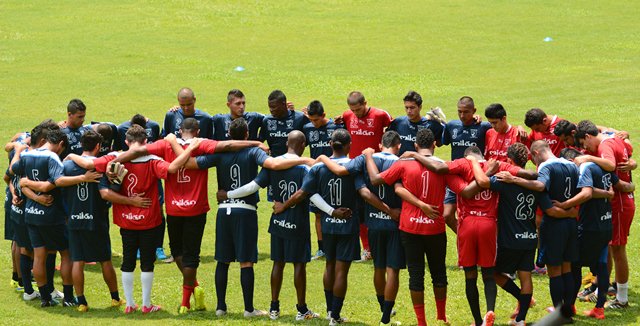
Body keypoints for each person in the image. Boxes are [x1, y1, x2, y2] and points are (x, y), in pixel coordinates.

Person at [110, 117, 266, 313]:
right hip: (196, 209)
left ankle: (193, 289)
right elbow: (228, 145)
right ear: (198, 131)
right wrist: (255, 142)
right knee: (192, 256)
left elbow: (138, 150)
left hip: (174, 209)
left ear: (178, 130)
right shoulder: (201, 143)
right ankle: (186, 300)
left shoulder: (165, 143)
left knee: (177, 254)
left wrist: (114, 161)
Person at [187, 118, 314, 318]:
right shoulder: (254, 152)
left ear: (229, 135)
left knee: (223, 260)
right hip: (244, 211)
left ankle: (220, 307)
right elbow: (265, 173)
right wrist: (305, 160)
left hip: (223, 211)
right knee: (246, 261)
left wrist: (181, 149)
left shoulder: (219, 153)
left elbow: (193, 163)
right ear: (247, 135)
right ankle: (248, 309)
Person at [217, 131, 321, 321]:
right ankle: (301, 309)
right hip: (297, 222)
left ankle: (274, 309)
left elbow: (252, 187)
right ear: (303, 145)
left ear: (287, 143)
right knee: (299, 264)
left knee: (278, 263)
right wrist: (331, 211)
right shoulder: (305, 167)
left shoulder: (273, 164)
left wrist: (228, 194)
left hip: (277, 222)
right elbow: (310, 195)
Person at [92, 125, 197, 314]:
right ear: (146, 142)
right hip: (149, 219)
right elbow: (173, 168)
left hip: (126, 219)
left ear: (126, 142)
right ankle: (147, 305)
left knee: (128, 261)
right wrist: (188, 149)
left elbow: (92, 164)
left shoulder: (115, 157)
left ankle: (130, 304)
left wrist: (70, 157)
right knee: (147, 262)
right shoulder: (153, 160)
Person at [20, 130, 124, 312]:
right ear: (98, 146)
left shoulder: (65, 167)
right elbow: (109, 191)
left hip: (73, 220)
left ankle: (81, 302)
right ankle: (115, 298)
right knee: (105, 260)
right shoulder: (99, 168)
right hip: (96, 220)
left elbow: (57, 187)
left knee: (78, 261)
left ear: (81, 145)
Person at [468, 143, 569, 326]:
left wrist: (479, 165)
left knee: (493, 273)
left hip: (510, 240)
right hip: (530, 238)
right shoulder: (536, 184)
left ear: (510, 161)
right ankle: (521, 319)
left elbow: (482, 182)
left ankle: (520, 301)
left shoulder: (505, 181)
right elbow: (548, 207)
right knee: (526, 277)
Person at [365, 129, 453, 326]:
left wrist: (368, 156)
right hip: (435, 228)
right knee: (439, 272)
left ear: (415, 146)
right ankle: (442, 315)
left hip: (410, 227)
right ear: (435, 144)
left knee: (416, 274)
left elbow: (376, 180)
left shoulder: (403, 164)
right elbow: (460, 189)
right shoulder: (442, 165)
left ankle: (421, 322)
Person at [273, 129, 360, 325]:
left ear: (330, 145)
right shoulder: (355, 166)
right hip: (348, 224)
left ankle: (330, 311)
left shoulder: (318, 168)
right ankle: (335, 316)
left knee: (330, 265)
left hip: (328, 225)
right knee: (341, 271)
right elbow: (363, 191)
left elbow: (306, 193)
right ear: (349, 145)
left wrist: (329, 212)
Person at [318, 130, 405, 325]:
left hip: (373, 223)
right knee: (393, 270)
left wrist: (322, 157)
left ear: (381, 145)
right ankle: (385, 316)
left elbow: (354, 183)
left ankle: (379, 308)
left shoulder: (366, 159)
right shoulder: (400, 162)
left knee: (378, 267)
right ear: (398, 146)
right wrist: (391, 210)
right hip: (394, 223)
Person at [494, 141, 579, 318]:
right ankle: (568, 311)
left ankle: (559, 314)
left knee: (555, 270)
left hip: (555, 225)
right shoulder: (572, 165)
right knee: (567, 268)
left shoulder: (546, 168)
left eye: (533, 157)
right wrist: (572, 212)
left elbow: (542, 190)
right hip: (571, 224)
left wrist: (514, 178)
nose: (533, 161)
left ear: (537, 152)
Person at [556, 148, 635, 319]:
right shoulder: (603, 167)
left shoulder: (584, 168)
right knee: (601, 265)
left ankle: (569, 307)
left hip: (588, 227)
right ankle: (599, 309)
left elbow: (587, 192)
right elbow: (619, 185)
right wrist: (631, 187)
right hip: (606, 224)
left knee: (575, 267)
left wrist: (563, 205)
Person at [572, 120, 636, 309]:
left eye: (584, 144)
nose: (585, 149)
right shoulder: (613, 138)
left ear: (588, 136)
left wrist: (588, 159)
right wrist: (633, 164)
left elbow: (610, 164)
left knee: (618, 249)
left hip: (620, 202)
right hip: (620, 200)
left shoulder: (605, 144)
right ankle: (602, 288)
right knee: (609, 246)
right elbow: (629, 153)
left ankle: (622, 299)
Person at [9, 129, 75, 307]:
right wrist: (83, 177)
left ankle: (45, 298)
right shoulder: (52, 158)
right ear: (60, 144)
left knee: (39, 255)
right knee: (66, 253)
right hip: (52, 215)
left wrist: (18, 154)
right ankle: (68, 298)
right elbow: (57, 182)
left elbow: (12, 170)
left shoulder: (28, 155)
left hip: (31, 214)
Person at [341, 91, 393, 261]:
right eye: (353, 110)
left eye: (358, 109)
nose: (356, 113)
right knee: (358, 209)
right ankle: (367, 248)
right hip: (355, 168)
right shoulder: (347, 116)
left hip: (375, 168)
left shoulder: (380, 115)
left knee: (377, 206)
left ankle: (384, 245)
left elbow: (392, 131)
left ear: (365, 103)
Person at [440, 96, 492, 233]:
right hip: (456, 178)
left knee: (476, 215)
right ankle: (464, 236)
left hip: (475, 177)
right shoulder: (451, 126)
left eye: (466, 112)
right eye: (459, 112)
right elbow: (440, 142)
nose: (462, 115)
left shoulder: (484, 127)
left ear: (474, 110)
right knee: (447, 215)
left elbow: (500, 128)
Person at [303, 100, 343, 260]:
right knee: (318, 214)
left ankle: (339, 246)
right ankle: (322, 249)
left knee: (337, 210)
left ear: (324, 115)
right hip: (317, 176)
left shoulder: (335, 128)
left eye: (317, 120)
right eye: (311, 120)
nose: (314, 123)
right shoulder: (307, 128)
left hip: (334, 175)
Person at [388, 90, 443, 155]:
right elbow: (388, 142)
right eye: (406, 107)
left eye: (412, 108)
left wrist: (443, 125)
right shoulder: (398, 122)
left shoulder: (431, 125)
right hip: (401, 163)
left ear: (420, 107)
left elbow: (440, 144)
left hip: (420, 164)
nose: (409, 111)